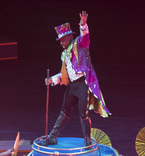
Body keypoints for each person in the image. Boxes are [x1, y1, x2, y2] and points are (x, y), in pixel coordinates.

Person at [40, 11, 110, 147]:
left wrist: (83, 25)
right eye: (59, 41)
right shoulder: (64, 54)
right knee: (64, 111)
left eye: (63, 40)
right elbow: (64, 75)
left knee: (83, 114)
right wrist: (52, 80)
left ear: (70, 37)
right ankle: (52, 137)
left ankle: (87, 140)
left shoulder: (79, 45)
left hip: (82, 85)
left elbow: (85, 37)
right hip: (72, 86)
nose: (61, 43)